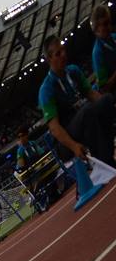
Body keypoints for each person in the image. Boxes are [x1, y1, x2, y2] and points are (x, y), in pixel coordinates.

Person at [38, 34, 116, 205]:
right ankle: (104, 163)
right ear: (49, 59)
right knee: (88, 111)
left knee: (106, 100)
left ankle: (107, 157)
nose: (63, 55)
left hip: (86, 120)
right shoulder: (47, 89)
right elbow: (54, 127)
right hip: (67, 140)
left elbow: (92, 95)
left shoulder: (73, 71)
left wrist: (106, 106)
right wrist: (73, 146)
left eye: (63, 50)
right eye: (58, 53)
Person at [92, 4, 116, 93]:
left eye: (109, 22)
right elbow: (104, 88)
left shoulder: (114, 37)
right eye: (105, 24)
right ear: (96, 29)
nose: (109, 26)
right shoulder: (98, 52)